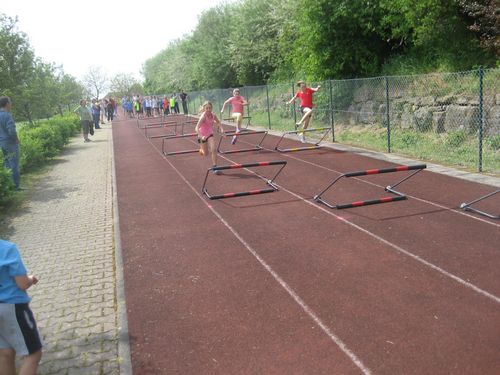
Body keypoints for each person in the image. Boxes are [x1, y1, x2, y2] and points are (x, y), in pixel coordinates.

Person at [0, 239, 43, 375]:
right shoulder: (7, 248)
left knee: (5, 353)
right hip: (12, 308)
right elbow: (23, 283)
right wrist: (31, 278)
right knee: (33, 353)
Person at [195, 101, 224, 174]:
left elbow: (218, 122)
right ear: (204, 109)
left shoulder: (213, 115)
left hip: (210, 134)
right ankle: (201, 150)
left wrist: (221, 129)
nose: (208, 109)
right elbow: (196, 128)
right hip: (202, 136)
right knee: (206, 154)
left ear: (212, 108)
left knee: (214, 149)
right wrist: (202, 136)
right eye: (207, 108)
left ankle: (215, 167)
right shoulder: (203, 116)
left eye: (210, 108)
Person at [0, 97, 21, 190]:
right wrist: (16, 139)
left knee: (7, 164)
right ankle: (16, 187)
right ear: (7, 104)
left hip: (2, 143)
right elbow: (11, 130)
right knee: (14, 164)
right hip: (10, 142)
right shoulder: (7, 115)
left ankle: (9, 187)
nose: (11, 104)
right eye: (10, 102)